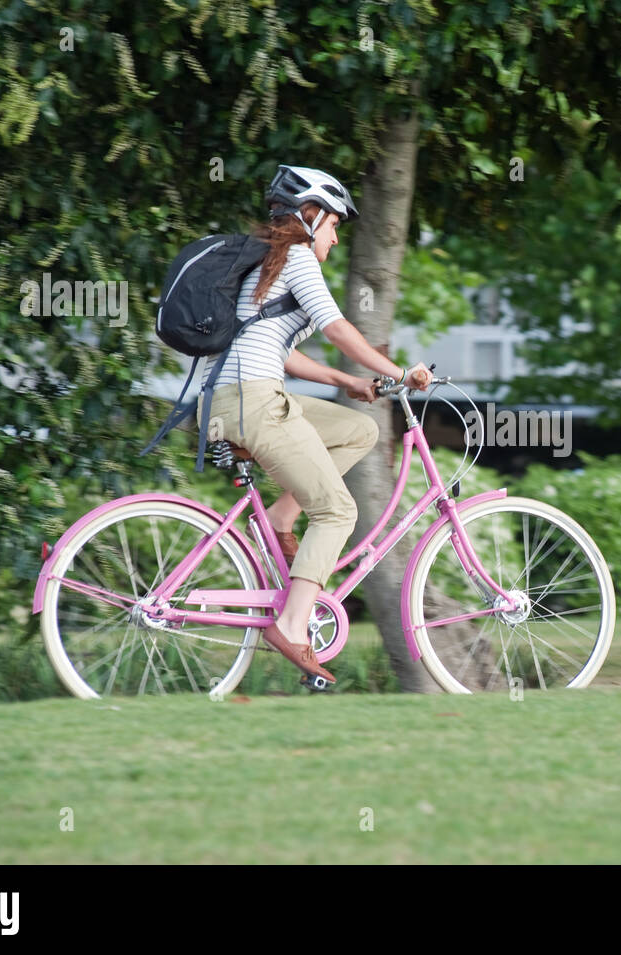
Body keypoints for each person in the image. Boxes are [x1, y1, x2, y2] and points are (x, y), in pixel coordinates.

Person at [196, 165, 431, 684]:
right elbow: (337, 326)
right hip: (251, 401)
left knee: (358, 431)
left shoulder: (272, 263)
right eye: (334, 224)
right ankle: (292, 625)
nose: (336, 236)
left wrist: (348, 383)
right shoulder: (298, 257)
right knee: (338, 511)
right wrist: (399, 372)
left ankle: (281, 520)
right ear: (312, 215)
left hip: (233, 398)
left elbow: (281, 351)